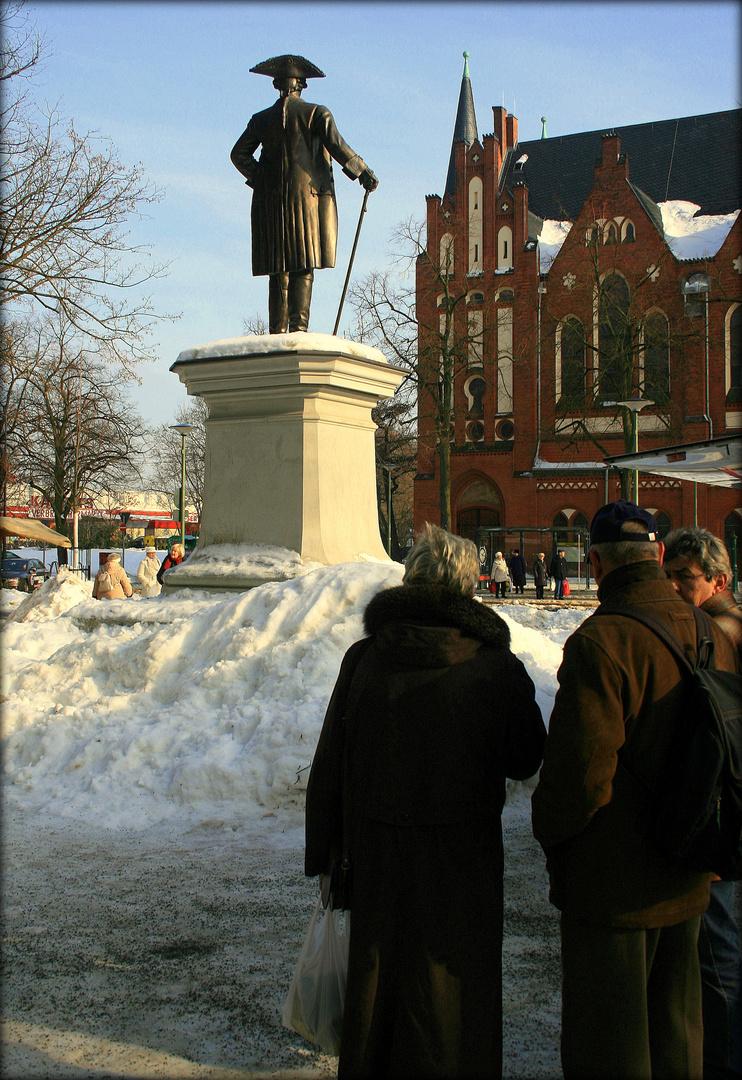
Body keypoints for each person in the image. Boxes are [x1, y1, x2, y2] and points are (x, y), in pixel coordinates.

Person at [306, 523, 546, 1079]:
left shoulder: (365, 658)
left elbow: (331, 759)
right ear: (468, 585)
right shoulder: (493, 666)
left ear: (410, 577)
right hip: (463, 853)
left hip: (376, 847)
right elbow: (525, 757)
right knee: (455, 982)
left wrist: (325, 852)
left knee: (378, 977)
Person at [531, 500, 738, 1080]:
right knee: (677, 1032)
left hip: (614, 884)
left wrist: (554, 839)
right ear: (661, 556)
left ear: (595, 563)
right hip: (689, 864)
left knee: (612, 1043)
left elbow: (579, 778)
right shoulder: (707, 629)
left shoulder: (602, 642)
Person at [663, 526, 742, 1080]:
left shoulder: (716, 633)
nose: (672, 586)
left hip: (724, 812)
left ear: (719, 578)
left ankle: (725, 1060)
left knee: (718, 953)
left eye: (683, 577)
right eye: (667, 574)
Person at [231, 54, 378, 335]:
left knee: (278, 268)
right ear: (301, 86)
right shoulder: (315, 113)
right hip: (307, 201)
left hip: (271, 203)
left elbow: (238, 155)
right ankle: (299, 329)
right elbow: (337, 146)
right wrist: (363, 172)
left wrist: (261, 179)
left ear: (277, 85)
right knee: (303, 264)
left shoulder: (261, 119)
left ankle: (277, 332)